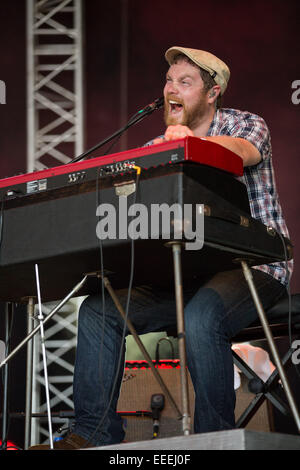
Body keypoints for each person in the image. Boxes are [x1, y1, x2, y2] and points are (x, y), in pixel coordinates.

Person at [29, 46, 292, 450]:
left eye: (185, 82)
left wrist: (191, 144)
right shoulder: (157, 144)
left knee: (202, 315)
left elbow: (242, 153)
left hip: (254, 267)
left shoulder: (246, 125)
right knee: (99, 310)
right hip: (187, 274)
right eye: (169, 80)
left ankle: (213, 439)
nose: (172, 89)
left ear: (213, 91)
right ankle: (93, 433)